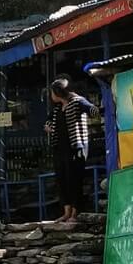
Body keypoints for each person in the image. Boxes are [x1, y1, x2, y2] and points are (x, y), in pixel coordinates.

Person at [45, 77, 98, 223]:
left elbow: (93, 110)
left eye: (52, 92)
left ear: (58, 92)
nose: (51, 95)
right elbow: (48, 121)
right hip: (59, 149)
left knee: (74, 180)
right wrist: (48, 127)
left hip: (75, 150)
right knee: (62, 180)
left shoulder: (78, 102)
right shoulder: (57, 109)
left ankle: (75, 213)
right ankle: (66, 212)